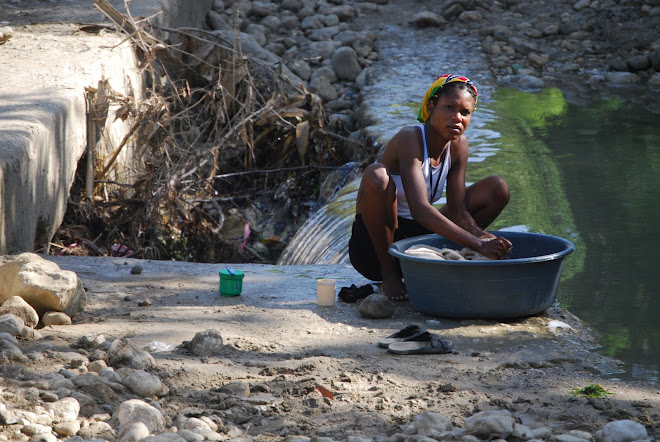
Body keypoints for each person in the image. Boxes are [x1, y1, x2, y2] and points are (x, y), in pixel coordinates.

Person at [348, 74, 513, 301]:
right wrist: (478, 244)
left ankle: (452, 261)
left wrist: (482, 237)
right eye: (449, 108)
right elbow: (420, 208)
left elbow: (457, 211)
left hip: (417, 239)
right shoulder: (410, 138)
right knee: (377, 175)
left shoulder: (459, 146)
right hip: (374, 249)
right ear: (431, 107)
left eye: (465, 112)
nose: (457, 117)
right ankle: (390, 275)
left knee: (497, 188)